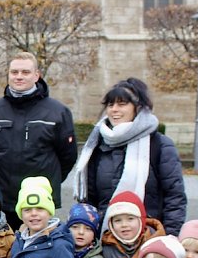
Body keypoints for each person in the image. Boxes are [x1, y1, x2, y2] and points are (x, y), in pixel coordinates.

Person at [73, 77, 187, 235]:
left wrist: (170, 236)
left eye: (122, 104)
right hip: (106, 238)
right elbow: (90, 199)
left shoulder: (159, 145)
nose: (114, 109)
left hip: (149, 237)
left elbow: (174, 197)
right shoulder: (97, 144)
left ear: (138, 107)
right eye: (110, 104)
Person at [0, 52, 78, 230]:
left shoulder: (58, 112)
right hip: (2, 199)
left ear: (36, 75)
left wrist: (47, 181)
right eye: (14, 72)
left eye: (25, 72)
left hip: (38, 203)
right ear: (8, 74)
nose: (19, 76)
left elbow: (68, 156)